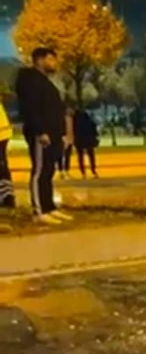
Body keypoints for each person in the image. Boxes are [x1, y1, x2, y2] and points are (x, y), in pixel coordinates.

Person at [15, 48, 70, 225]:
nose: (54, 63)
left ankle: (49, 207)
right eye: (51, 59)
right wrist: (40, 131)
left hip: (53, 134)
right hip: (41, 134)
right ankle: (38, 211)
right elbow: (31, 109)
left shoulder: (45, 82)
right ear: (39, 60)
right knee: (39, 171)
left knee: (48, 171)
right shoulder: (30, 81)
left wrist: (61, 133)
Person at [71, 107, 99, 179]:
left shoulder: (75, 122)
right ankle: (93, 170)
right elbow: (94, 130)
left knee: (80, 156)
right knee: (91, 155)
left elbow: (74, 131)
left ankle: (83, 172)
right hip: (89, 140)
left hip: (79, 140)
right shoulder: (89, 120)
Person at [0, 101, 14, 208]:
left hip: (1, 133)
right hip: (3, 132)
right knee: (2, 165)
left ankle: (6, 197)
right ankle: (7, 196)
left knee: (1, 166)